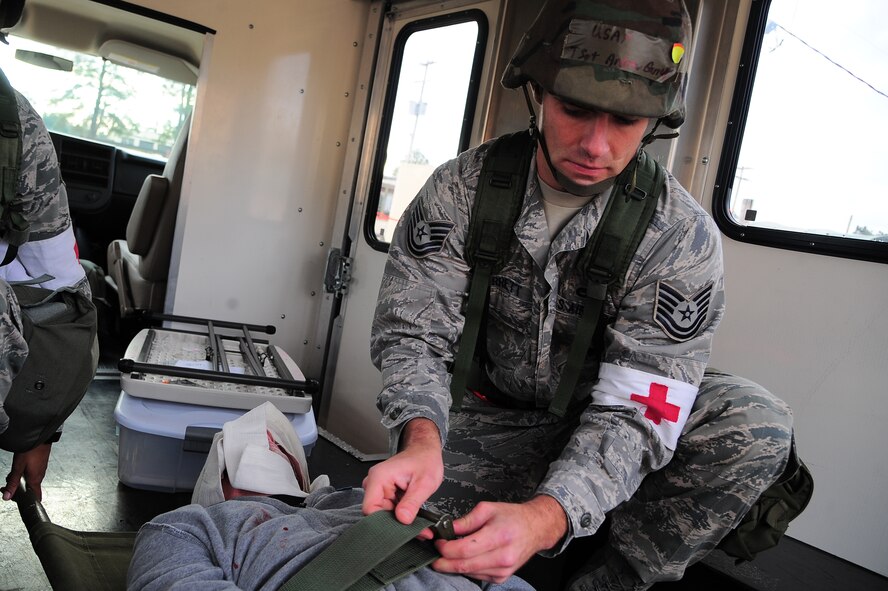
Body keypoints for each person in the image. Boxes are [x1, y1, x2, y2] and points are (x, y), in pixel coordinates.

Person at [363, 1, 794, 589]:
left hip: (605, 423)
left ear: (656, 120)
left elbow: (643, 405)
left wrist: (546, 517)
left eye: (625, 120)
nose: (595, 145)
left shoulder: (680, 234)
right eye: (576, 110)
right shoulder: (460, 190)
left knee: (754, 419)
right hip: (486, 424)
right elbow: (411, 334)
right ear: (538, 94)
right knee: (410, 555)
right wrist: (419, 437)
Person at [128, 402, 534, 591]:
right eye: (240, 456)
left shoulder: (361, 501)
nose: (263, 448)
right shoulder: (190, 526)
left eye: (277, 447)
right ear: (216, 488)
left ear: (302, 477)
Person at [0, 0, 93, 501]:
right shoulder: (14, 122)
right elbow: (64, 293)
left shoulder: (13, 126)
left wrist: (38, 429)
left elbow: (62, 299)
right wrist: (39, 430)